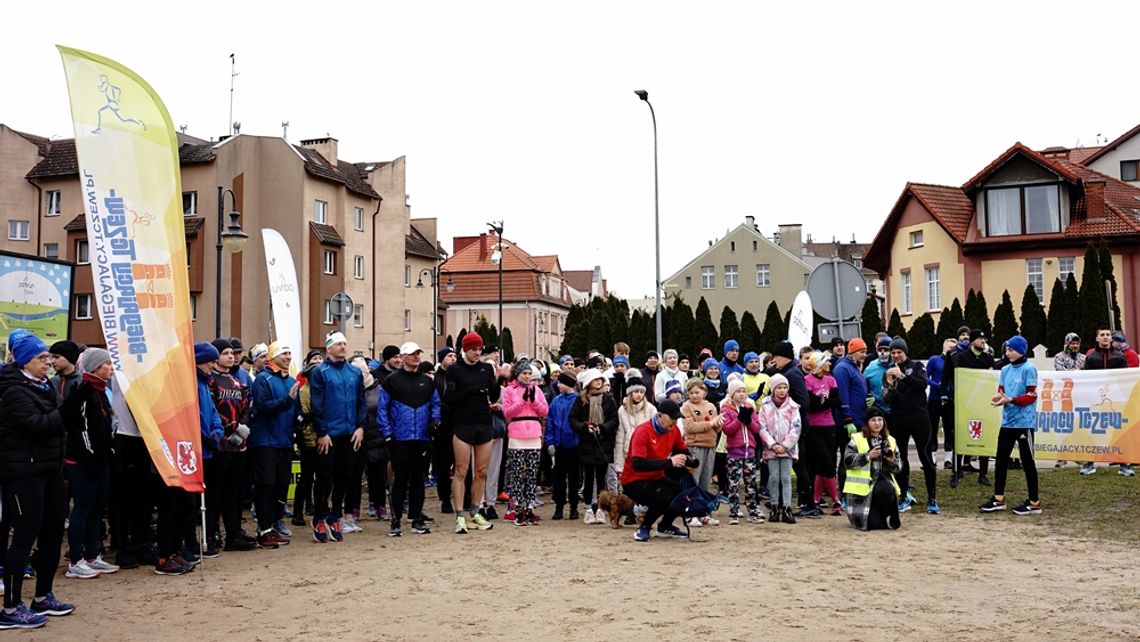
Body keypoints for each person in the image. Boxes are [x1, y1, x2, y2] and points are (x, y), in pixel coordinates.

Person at [0, 330, 75, 628]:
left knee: (53, 531)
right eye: (41, 357)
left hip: (50, 470)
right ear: (24, 361)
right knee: (23, 537)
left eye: (48, 357)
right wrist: (69, 409)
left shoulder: (44, 386)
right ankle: (10, 608)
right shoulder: (13, 390)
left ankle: (43, 596)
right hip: (23, 473)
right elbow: (38, 426)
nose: (48, 362)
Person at [62, 348, 121, 578]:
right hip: (83, 462)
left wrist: (108, 450)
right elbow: (81, 429)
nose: (111, 367)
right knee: (83, 509)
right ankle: (75, 560)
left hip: (100, 459)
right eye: (107, 363)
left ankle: (92, 555)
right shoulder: (84, 391)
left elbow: (104, 428)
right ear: (96, 367)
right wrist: (91, 457)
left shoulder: (101, 391)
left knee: (96, 510)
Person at [376, 342, 440, 537]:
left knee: (419, 478)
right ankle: (396, 521)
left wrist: (434, 422)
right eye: (412, 354)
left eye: (418, 353)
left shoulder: (427, 381)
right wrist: (387, 434)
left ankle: (416, 519)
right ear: (403, 357)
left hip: (421, 437)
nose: (416, 357)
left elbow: (436, 404)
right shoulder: (392, 381)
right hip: (400, 438)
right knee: (401, 478)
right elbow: (382, 408)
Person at [308, 332, 367, 543]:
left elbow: (362, 401)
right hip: (329, 435)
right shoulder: (320, 372)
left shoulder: (354, 372)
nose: (343, 347)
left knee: (346, 475)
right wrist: (322, 432)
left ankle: (335, 515)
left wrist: (360, 427)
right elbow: (317, 404)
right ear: (329, 348)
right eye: (339, 344)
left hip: (350, 434)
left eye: (345, 343)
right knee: (324, 477)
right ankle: (319, 517)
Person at [442, 332, 498, 534]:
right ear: (465, 349)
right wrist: (471, 391)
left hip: (484, 423)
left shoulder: (485, 369)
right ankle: (459, 515)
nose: (477, 352)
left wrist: (495, 379)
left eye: (479, 349)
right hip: (463, 424)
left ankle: (475, 511)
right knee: (461, 470)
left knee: (481, 471)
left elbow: (494, 394)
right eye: (474, 349)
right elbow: (449, 399)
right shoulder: (455, 370)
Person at [980, 336, 1042, 516]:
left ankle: (1034, 503)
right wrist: (1000, 397)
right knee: (1000, 460)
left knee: (1028, 462)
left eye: (1011, 350)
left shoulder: (1029, 369)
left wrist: (1012, 399)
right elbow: (1002, 390)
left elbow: (1032, 395)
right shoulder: (1005, 369)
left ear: (1021, 351)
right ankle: (999, 499)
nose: (1007, 353)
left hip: (1024, 423)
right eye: (1006, 350)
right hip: (1007, 422)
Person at [206, 338, 255, 554]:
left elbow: (246, 406)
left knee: (234, 493)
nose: (231, 356)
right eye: (225, 353)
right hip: (220, 446)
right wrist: (230, 429)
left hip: (240, 446)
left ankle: (234, 534)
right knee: (215, 492)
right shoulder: (210, 382)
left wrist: (242, 426)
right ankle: (212, 533)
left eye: (231, 353)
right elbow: (211, 411)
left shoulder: (238, 382)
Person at [621, 400, 693, 542]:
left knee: (681, 492)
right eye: (672, 418)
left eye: (677, 418)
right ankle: (644, 527)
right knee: (664, 494)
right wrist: (669, 462)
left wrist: (690, 460)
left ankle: (665, 526)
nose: (675, 421)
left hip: (656, 477)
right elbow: (638, 463)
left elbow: (682, 449)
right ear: (660, 415)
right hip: (634, 480)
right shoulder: (643, 431)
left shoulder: (673, 430)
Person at [248, 342, 298, 549]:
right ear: (272, 357)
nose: (288, 357)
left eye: (289, 353)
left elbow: (294, 411)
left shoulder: (292, 380)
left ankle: (273, 526)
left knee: (281, 486)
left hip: (285, 441)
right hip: (265, 442)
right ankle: (263, 529)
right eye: (284, 353)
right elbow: (263, 408)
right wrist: (288, 400)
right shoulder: (263, 379)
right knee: (265, 486)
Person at [883, 337, 939, 515]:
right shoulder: (889, 371)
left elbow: (922, 384)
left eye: (899, 352)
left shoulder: (916, 366)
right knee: (901, 457)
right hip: (899, 418)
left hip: (919, 417)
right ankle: (903, 495)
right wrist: (891, 386)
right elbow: (886, 399)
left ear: (905, 352)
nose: (896, 355)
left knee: (925, 456)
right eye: (893, 353)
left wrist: (903, 377)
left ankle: (932, 498)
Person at [943, 329, 995, 485]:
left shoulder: (987, 358)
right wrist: (945, 395)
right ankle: (956, 471)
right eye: (980, 339)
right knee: (959, 436)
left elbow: (993, 377)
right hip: (963, 403)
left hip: (982, 403)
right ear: (972, 341)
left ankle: (983, 473)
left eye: (984, 339)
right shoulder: (960, 357)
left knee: (984, 436)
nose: (983, 341)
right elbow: (947, 376)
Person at [501, 357, 548, 526]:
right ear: (517, 374)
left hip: (534, 434)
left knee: (532, 474)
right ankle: (518, 508)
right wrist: (521, 401)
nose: (527, 377)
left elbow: (544, 410)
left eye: (529, 373)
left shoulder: (537, 390)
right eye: (524, 373)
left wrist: (533, 400)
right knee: (519, 473)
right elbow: (507, 412)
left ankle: (529, 507)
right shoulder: (509, 390)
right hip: (517, 434)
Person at [570, 368, 619, 525]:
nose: (599, 382)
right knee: (588, 478)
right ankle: (589, 508)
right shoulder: (581, 400)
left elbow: (614, 418)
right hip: (587, 443)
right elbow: (573, 418)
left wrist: (603, 428)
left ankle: (600, 508)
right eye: (596, 379)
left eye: (601, 379)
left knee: (601, 477)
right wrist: (585, 428)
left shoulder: (608, 399)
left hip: (603, 443)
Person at [770, 341, 812, 517]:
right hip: (787, 428)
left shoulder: (792, 374)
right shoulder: (787, 372)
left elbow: (804, 401)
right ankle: (784, 500)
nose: (773, 362)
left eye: (775, 358)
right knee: (796, 466)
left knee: (799, 465)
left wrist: (789, 411)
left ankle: (808, 503)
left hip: (795, 428)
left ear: (781, 357)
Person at [842, 406, 901, 531]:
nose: (877, 423)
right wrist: (868, 456)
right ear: (867, 423)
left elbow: (899, 468)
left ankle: (884, 515)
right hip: (862, 491)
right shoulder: (856, 439)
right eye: (873, 420)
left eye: (880, 419)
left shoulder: (890, 440)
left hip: (881, 484)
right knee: (871, 526)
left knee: (886, 489)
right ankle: (877, 518)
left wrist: (891, 462)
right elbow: (847, 462)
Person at [1081, 326, 1127, 476]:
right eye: (1102, 335)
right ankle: (1089, 463)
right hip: (1096, 401)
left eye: (1108, 334)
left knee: (1118, 431)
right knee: (1093, 431)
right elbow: (1086, 379)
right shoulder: (1091, 357)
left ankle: (1124, 464)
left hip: (1115, 401)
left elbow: (1125, 379)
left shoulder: (1119, 356)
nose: (1105, 337)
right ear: (1097, 338)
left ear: (1111, 338)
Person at [758, 374, 801, 524]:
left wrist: (785, 446)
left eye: (784, 387)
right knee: (774, 478)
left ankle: (787, 507)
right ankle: (775, 506)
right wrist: (773, 444)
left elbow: (796, 428)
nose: (782, 391)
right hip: (771, 449)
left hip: (787, 449)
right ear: (773, 389)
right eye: (779, 388)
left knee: (786, 478)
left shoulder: (793, 406)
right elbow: (761, 428)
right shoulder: (765, 405)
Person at [804, 352, 843, 516]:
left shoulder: (831, 380)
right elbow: (811, 405)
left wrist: (822, 402)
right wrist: (824, 403)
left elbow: (837, 401)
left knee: (823, 465)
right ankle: (836, 500)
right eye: (826, 361)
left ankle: (816, 500)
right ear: (819, 364)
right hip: (814, 426)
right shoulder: (807, 380)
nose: (829, 364)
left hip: (829, 425)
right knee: (826, 463)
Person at [721, 379, 762, 524]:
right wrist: (739, 419)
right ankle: (733, 513)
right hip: (734, 452)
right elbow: (727, 430)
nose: (741, 394)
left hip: (749, 450)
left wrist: (749, 419)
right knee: (734, 484)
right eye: (738, 391)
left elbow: (757, 429)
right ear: (731, 394)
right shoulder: (726, 409)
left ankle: (753, 512)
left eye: (743, 391)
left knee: (751, 483)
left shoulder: (750, 407)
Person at [291, 351, 323, 526]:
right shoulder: (302, 392)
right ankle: (298, 511)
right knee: (306, 477)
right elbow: (297, 417)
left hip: (324, 437)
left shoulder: (324, 391)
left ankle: (319, 509)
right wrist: (307, 417)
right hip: (307, 439)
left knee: (323, 477)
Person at [680, 378, 722, 511]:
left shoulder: (710, 406)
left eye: (697, 392)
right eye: (691, 393)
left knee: (706, 479)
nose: (694, 395)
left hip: (710, 445)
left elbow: (717, 428)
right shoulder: (686, 407)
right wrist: (710, 424)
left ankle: (703, 511)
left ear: (704, 391)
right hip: (695, 446)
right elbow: (690, 427)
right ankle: (692, 510)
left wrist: (719, 424)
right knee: (694, 480)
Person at [832, 338, 868, 492]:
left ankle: (855, 489)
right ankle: (844, 492)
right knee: (847, 457)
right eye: (862, 352)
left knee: (856, 457)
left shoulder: (854, 367)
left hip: (858, 418)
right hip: (847, 422)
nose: (864, 355)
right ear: (852, 352)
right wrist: (847, 418)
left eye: (865, 352)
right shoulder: (842, 369)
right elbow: (842, 395)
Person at [546, 372, 581, 520]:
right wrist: (550, 442)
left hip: (574, 445)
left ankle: (574, 507)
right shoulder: (556, 401)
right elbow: (550, 422)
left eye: (560, 383)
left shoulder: (578, 400)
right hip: (559, 445)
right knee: (558, 478)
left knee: (574, 478)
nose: (558, 385)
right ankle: (559, 506)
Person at [433, 347, 458, 514]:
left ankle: (462, 497)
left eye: (455, 355)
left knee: (461, 464)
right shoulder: (436, 378)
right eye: (449, 356)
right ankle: (445, 498)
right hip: (442, 426)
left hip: (459, 424)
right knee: (443, 464)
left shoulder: (459, 375)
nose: (453, 358)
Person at [925, 338, 957, 468]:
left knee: (949, 429)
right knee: (932, 428)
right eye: (949, 347)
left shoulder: (956, 361)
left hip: (949, 400)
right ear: (943, 348)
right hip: (934, 400)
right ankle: (932, 459)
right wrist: (937, 385)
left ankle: (948, 460)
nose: (951, 350)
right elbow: (925, 377)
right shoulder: (934, 360)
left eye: (953, 348)